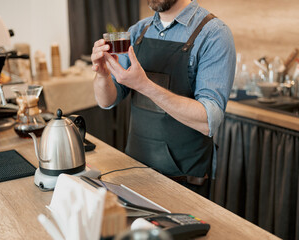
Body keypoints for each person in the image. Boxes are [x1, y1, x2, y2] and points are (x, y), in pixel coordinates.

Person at [91, 0, 236, 198]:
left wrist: (144, 85)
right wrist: (102, 75)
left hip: (184, 182)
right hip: (134, 172)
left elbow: (209, 119)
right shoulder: (138, 31)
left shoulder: (214, 33)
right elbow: (107, 101)